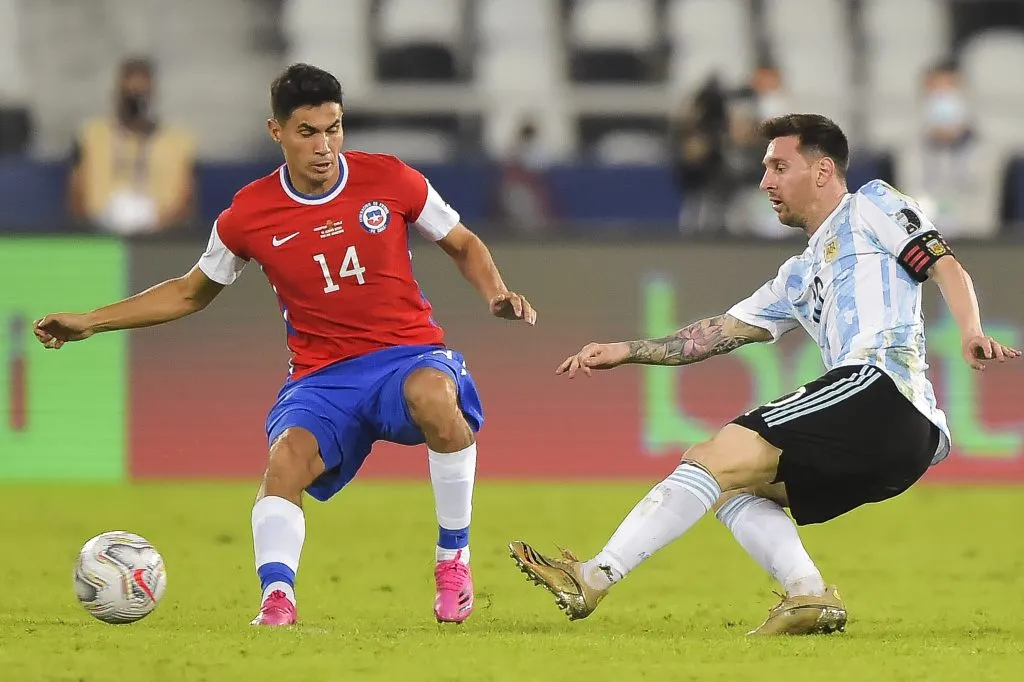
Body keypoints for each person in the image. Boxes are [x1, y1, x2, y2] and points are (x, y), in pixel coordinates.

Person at [36, 63, 536, 627]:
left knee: (435, 397)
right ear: (276, 131)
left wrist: (496, 293)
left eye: (334, 128)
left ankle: (453, 562)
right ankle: (278, 602)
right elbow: (188, 293)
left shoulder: (390, 179)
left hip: (407, 355)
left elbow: (463, 242)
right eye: (308, 132)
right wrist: (92, 321)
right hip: (322, 378)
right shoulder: (248, 214)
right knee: (285, 462)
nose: (325, 147)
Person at [508, 114, 1020, 635]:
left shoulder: (871, 204)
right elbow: (718, 333)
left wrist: (970, 330)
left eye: (779, 166)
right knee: (732, 487)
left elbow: (943, 264)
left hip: (883, 388)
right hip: (898, 443)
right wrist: (625, 350)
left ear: (823, 171)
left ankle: (593, 577)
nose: (765, 181)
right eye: (764, 169)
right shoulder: (797, 276)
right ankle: (809, 595)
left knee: (711, 457)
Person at [68, 56, 196, 235]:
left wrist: (159, 222)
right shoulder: (92, 136)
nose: (135, 103)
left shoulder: (177, 141)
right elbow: (76, 195)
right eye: (129, 96)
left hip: (159, 239)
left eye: (141, 95)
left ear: (152, 94)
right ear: (117, 94)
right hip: (99, 234)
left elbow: (186, 201)